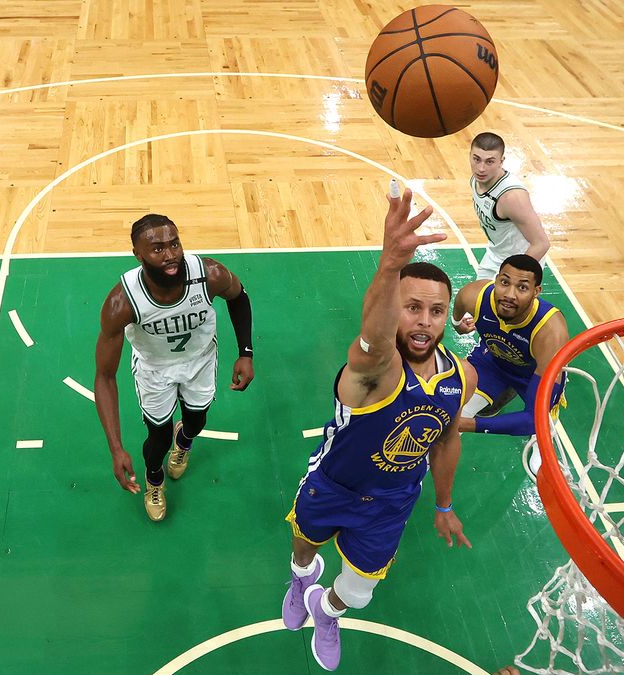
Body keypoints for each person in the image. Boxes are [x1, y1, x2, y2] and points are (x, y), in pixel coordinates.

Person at [281, 186, 477, 672]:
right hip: (332, 483)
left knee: (359, 592)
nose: (424, 322)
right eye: (412, 307)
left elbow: (446, 438)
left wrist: (445, 503)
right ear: (395, 307)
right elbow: (371, 340)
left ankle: (325, 612)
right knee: (305, 546)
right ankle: (301, 578)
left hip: (392, 500)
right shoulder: (375, 369)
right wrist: (390, 265)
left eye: (435, 312)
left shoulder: (461, 376)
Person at [95, 214, 255, 521]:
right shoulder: (122, 302)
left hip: (200, 360)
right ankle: (154, 480)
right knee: (158, 437)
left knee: (196, 421)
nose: (170, 254)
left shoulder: (208, 273)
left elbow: (239, 296)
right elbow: (104, 377)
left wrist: (245, 352)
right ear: (138, 255)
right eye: (157, 249)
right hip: (155, 369)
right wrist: (116, 448)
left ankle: (185, 440)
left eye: (175, 243)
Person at [451, 254, 568, 474]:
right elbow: (457, 311)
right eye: (504, 283)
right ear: (496, 280)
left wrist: (467, 424)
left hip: (532, 375)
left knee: (540, 419)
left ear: (536, 292)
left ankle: (542, 439)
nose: (509, 294)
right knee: (453, 411)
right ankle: (416, 470)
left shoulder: (550, 331)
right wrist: (458, 325)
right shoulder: (474, 295)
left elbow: (531, 419)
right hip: (492, 361)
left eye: (522, 288)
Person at [469, 132, 550, 281]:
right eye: (476, 159)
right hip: (496, 254)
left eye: (489, 162)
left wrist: (512, 277)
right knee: (476, 301)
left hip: (522, 262)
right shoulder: (475, 181)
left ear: (501, 161)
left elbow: (541, 244)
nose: (481, 168)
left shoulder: (512, 198)